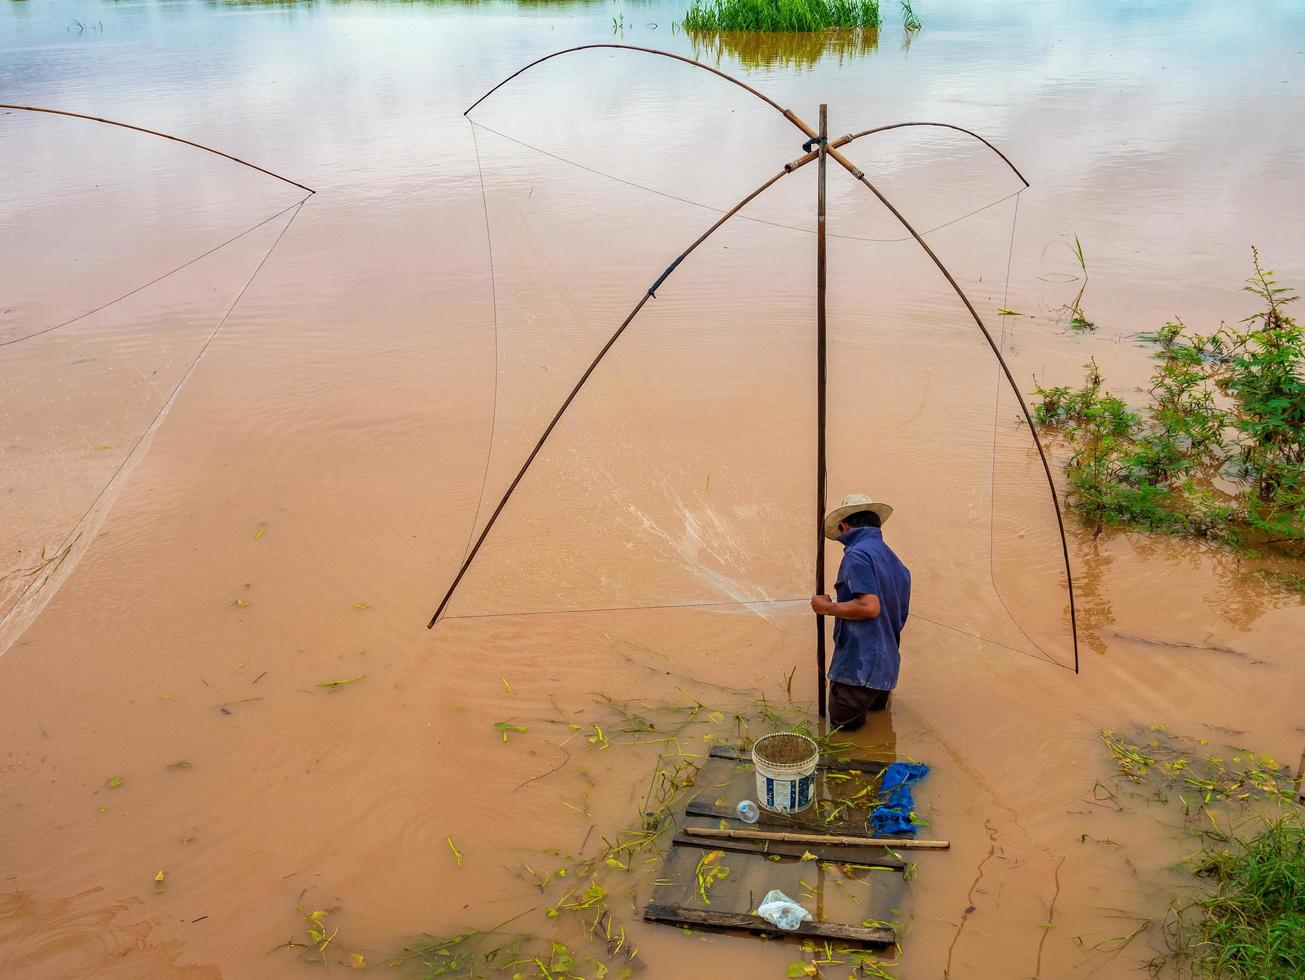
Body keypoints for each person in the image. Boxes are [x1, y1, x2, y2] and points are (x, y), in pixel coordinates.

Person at [810, 493, 911, 731]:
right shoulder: (896, 563)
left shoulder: (857, 555)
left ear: (844, 525)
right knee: (878, 733)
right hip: (885, 667)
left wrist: (827, 607)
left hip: (859, 668)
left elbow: (869, 606)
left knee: (842, 738)